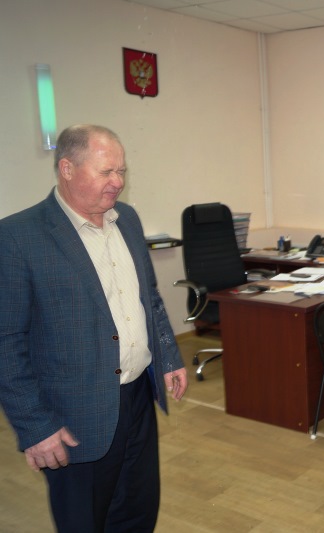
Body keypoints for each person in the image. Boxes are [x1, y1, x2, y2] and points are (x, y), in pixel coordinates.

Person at [0, 124, 188, 531]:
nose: (117, 182)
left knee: (138, 513)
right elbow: (6, 343)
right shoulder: (17, 237)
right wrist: (35, 426)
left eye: (121, 171)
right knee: (85, 521)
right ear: (67, 168)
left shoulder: (128, 220)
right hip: (74, 416)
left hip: (137, 399)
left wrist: (169, 356)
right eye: (106, 172)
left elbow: (149, 298)